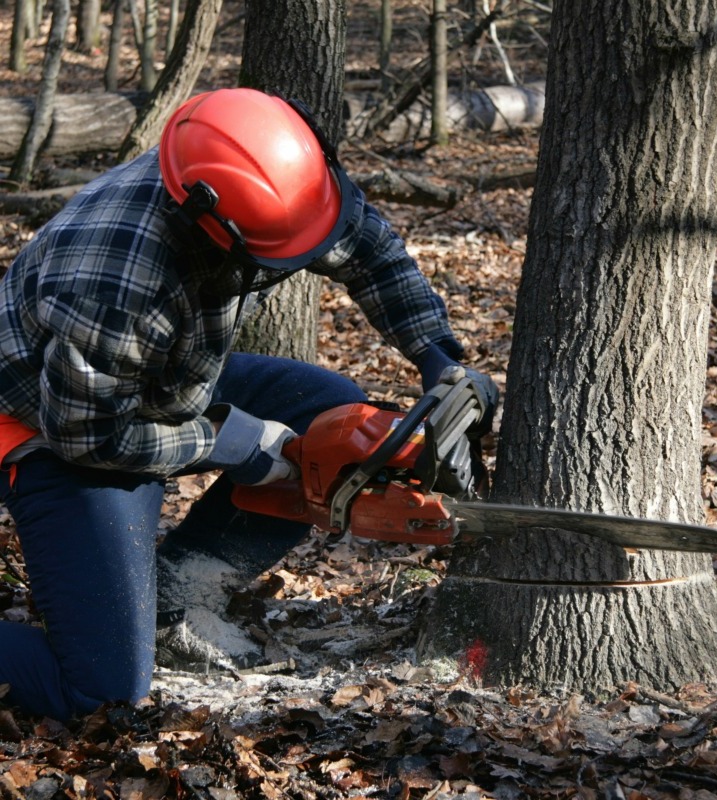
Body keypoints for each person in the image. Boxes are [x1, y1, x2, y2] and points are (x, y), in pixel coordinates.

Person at [0, 88, 498, 722]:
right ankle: (109, 633)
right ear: (209, 230)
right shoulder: (117, 274)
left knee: (327, 421)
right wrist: (226, 441)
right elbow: (89, 436)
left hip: (165, 377)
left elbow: (368, 251)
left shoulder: (272, 177)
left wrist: (436, 355)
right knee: (100, 694)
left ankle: (176, 591)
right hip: (47, 424)